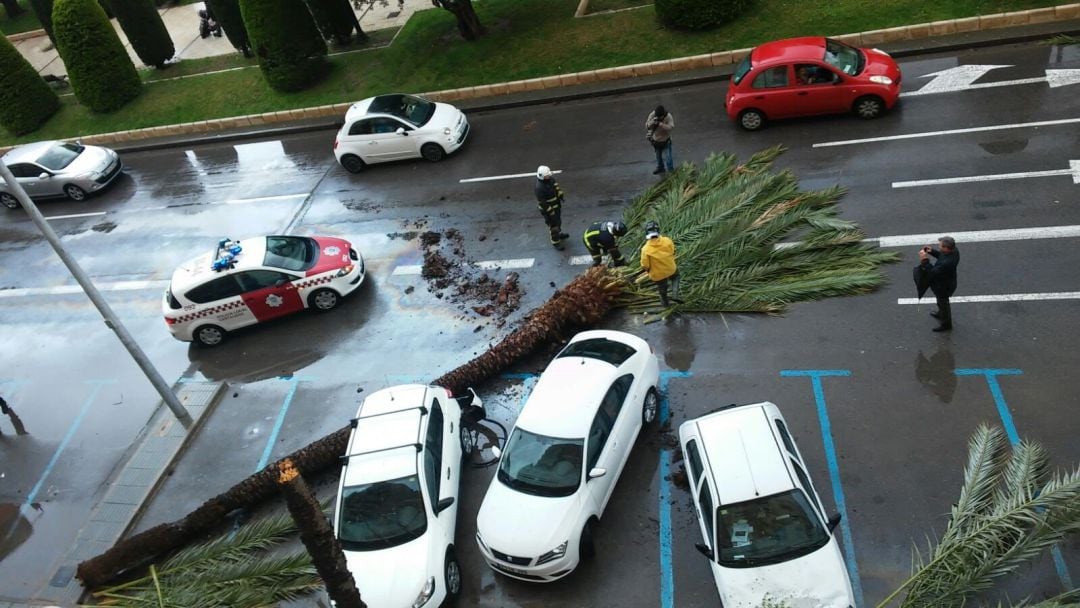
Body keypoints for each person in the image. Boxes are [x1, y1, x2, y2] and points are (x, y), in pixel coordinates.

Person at [919, 236, 960, 332]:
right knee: (940, 301)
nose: (939, 247)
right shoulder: (954, 251)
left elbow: (931, 272)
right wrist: (932, 251)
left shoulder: (946, 264)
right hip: (945, 282)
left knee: (943, 303)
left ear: (946, 248)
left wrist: (924, 260)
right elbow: (942, 256)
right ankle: (941, 313)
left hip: (943, 286)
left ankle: (946, 324)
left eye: (940, 246)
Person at [639, 220, 681, 307]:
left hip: (657, 275)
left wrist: (648, 271)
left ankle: (665, 305)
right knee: (676, 277)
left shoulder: (645, 249)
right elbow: (672, 252)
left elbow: (645, 265)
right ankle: (675, 294)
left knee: (662, 289)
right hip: (670, 269)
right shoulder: (667, 241)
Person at [534, 166, 570, 250]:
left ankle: (559, 234)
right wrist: (551, 212)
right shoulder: (539, 188)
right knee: (553, 226)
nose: (549, 176)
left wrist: (560, 193)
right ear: (542, 176)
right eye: (547, 175)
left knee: (558, 222)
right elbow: (543, 203)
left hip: (556, 206)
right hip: (548, 211)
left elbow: (556, 186)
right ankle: (556, 242)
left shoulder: (550, 180)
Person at [645, 105, 674, 175]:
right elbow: (647, 126)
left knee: (668, 157)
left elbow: (671, 127)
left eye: (660, 117)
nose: (659, 118)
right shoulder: (652, 114)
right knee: (658, 156)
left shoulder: (668, 116)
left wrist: (661, 124)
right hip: (656, 140)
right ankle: (660, 168)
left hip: (666, 140)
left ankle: (671, 170)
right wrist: (652, 122)